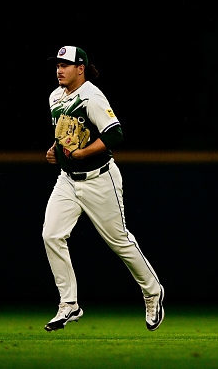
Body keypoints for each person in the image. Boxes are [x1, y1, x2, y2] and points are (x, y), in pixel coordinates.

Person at [42, 46, 164, 332]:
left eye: (66, 65)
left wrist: (84, 154)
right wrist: (55, 150)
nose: (59, 69)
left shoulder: (92, 97)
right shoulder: (55, 97)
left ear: (80, 68)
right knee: (51, 234)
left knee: (119, 241)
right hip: (68, 180)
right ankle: (69, 303)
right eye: (57, 65)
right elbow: (65, 136)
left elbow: (115, 134)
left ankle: (153, 291)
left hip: (100, 179)